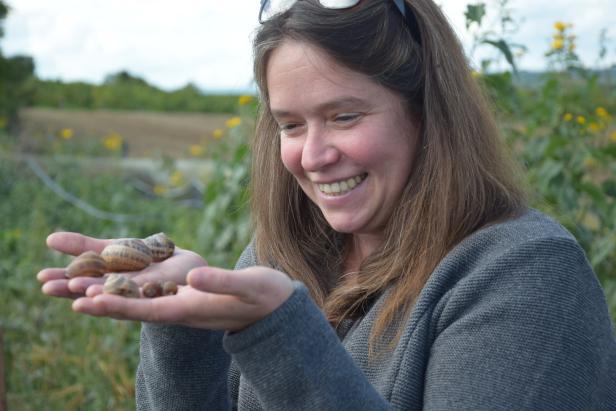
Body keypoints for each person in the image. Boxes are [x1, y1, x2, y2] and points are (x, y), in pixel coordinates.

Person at [38, 0, 616, 409]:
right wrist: (181, 329)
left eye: (345, 116)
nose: (313, 156)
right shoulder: (277, 259)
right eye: (290, 124)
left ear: (426, 114)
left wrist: (278, 334)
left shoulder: (525, 277)